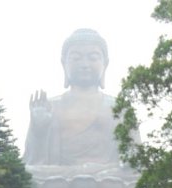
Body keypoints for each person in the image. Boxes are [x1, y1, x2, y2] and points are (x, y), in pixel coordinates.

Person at [24, 29, 121, 167]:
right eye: (76, 58)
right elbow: (32, 162)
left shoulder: (119, 108)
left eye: (93, 58)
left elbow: (134, 161)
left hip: (107, 175)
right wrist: (39, 129)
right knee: (32, 173)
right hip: (57, 175)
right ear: (63, 63)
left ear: (105, 64)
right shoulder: (49, 106)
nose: (85, 64)